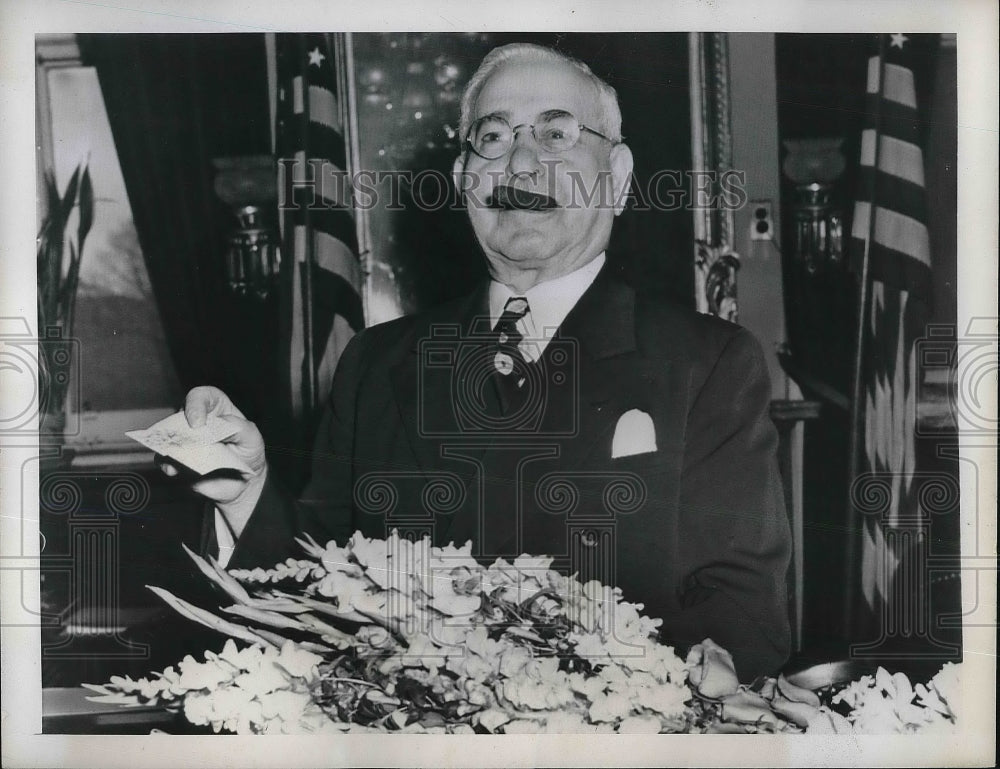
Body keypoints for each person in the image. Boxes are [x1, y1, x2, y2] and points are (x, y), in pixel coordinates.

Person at [161, 43, 791, 681]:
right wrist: (245, 493)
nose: (520, 161)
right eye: (491, 138)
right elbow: (315, 587)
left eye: (557, 132)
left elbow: (743, 616)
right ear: (465, 180)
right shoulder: (377, 363)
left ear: (618, 176)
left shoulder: (706, 364)